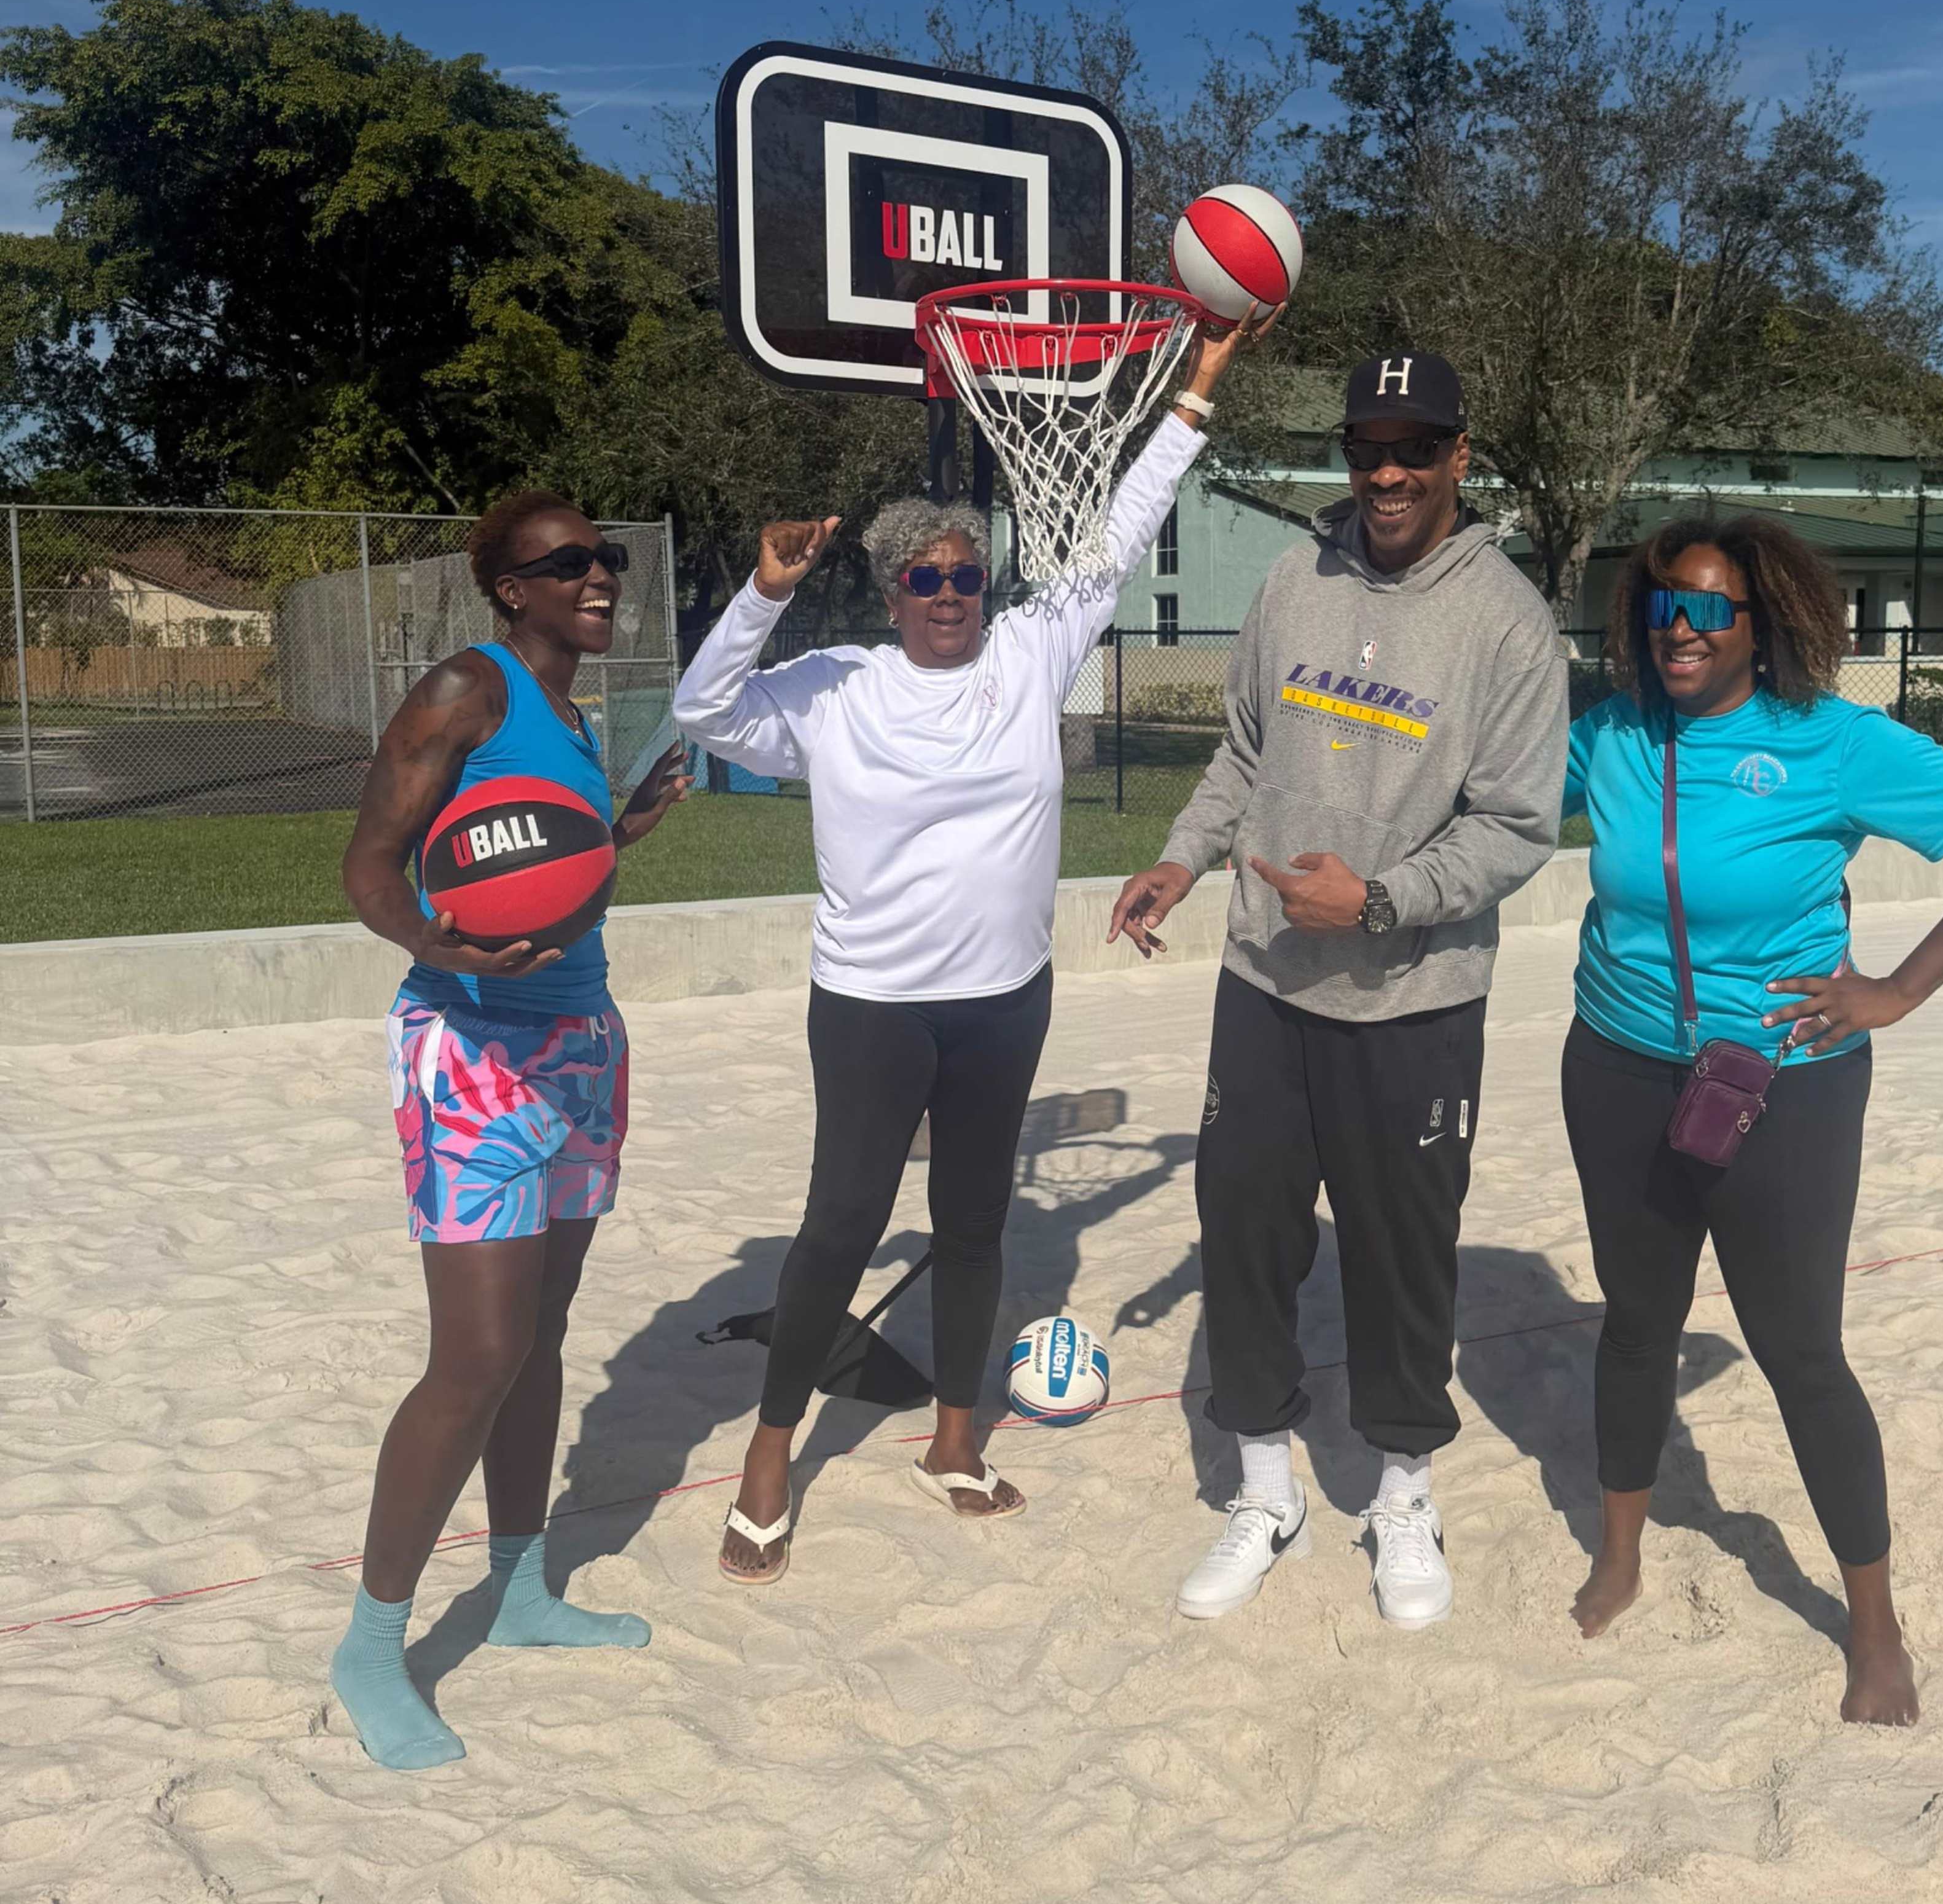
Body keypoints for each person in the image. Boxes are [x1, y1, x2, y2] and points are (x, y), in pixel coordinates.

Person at [674, 312, 1257, 1583]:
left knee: (978, 1219)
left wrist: (1199, 388)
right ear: (893, 595)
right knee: (842, 1221)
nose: (951, 597)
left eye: (966, 578)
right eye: (928, 582)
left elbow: (1121, 529)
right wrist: (763, 592)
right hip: (876, 1007)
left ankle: (953, 1438)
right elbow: (703, 708)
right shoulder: (834, 686)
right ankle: (772, 1454)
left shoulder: (1029, 654)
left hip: (1005, 1004)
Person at [1560, 512, 1943, 1724]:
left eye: (1706, 610)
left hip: (1780, 1083)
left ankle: (1875, 1623)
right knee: (1636, 1322)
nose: (1676, 632)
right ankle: (1622, 1553)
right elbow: (1489, 810)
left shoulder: (1833, 744)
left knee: (1801, 1353)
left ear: (1762, 625)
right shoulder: (1613, 734)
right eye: (1658, 608)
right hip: (1616, 1064)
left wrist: (1894, 989)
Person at [1111, 350, 1567, 1631]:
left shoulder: (1508, 621)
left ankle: (1403, 1491)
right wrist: (1182, 857)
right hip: (1264, 978)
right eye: (1369, 441)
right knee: (1245, 1240)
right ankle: (1267, 1490)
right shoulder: (1292, 578)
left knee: (1400, 1255)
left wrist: (1373, 901)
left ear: (1458, 459)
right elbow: (1247, 748)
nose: (1388, 468)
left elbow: (1519, 827)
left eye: (1416, 445)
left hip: (1411, 1003)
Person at [332, 496, 691, 1771]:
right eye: (567, 563)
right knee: (475, 1356)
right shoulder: (460, 693)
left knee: (538, 1338)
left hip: (580, 1043)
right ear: (508, 589)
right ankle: (373, 1645)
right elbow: (371, 866)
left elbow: (550, 878)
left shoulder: (580, 724)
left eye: (604, 557)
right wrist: (435, 939)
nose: (598, 575)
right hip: (469, 1053)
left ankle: (523, 1586)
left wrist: (622, 829)